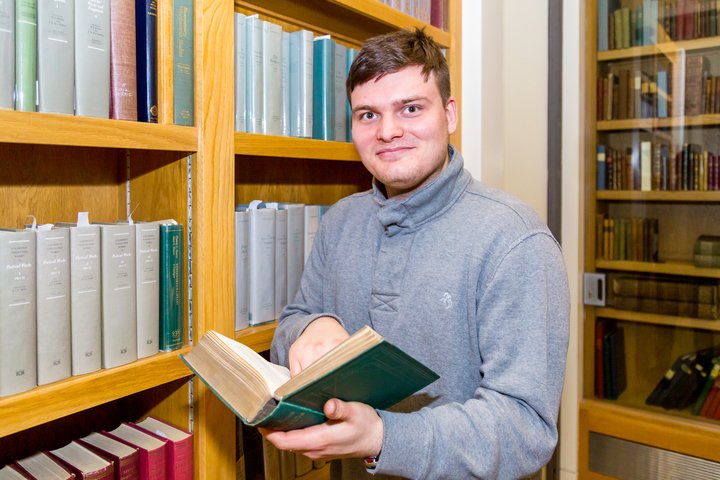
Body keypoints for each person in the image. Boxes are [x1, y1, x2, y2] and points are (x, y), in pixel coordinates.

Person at [263, 27, 570, 479]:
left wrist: (382, 437)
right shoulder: (340, 222)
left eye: (410, 108)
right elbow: (290, 326)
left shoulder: (515, 240)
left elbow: (526, 428)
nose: (388, 131)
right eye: (368, 115)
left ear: (449, 114)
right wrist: (313, 325)